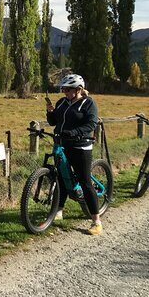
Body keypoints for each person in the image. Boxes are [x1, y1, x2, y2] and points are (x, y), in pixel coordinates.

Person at [46, 74, 102, 235]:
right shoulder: (62, 102)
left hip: (80, 146)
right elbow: (53, 122)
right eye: (63, 89)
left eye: (67, 89)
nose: (64, 91)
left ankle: (96, 221)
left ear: (78, 90)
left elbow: (91, 123)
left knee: (85, 182)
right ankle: (59, 210)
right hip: (61, 144)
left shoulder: (88, 103)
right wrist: (50, 113)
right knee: (62, 177)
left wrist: (75, 132)